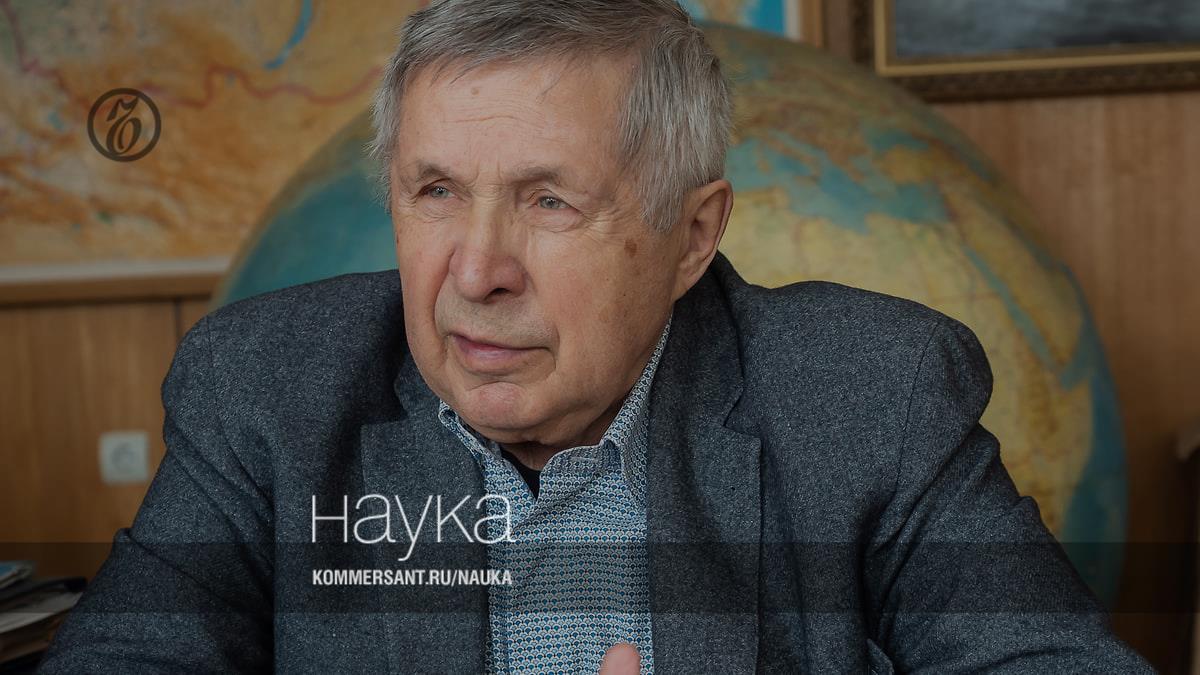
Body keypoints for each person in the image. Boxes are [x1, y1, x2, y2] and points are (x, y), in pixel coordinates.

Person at [42, 0, 1152, 673]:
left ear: (691, 235)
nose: (476, 270)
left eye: (550, 201)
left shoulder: (873, 398)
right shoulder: (266, 395)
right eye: (436, 191)